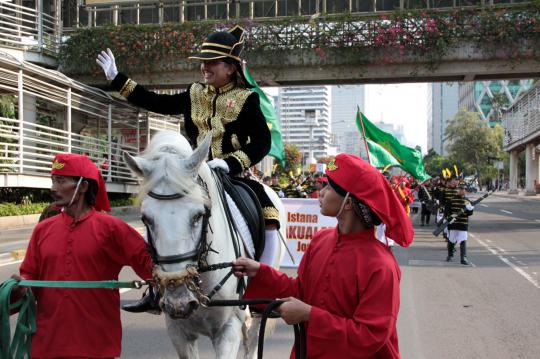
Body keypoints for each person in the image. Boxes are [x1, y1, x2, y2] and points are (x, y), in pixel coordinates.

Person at [97, 25, 282, 311]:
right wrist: (118, 79)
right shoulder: (194, 92)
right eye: (203, 62)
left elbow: (262, 141)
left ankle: (263, 286)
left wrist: (231, 162)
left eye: (212, 62)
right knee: (161, 215)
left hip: (231, 173)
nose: (205, 68)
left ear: (231, 68)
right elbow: (156, 102)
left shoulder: (248, 98)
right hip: (194, 173)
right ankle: (155, 286)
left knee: (268, 210)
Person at [232, 153, 414, 358]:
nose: (321, 192)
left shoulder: (381, 265)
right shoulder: (321, 240)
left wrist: (309, 314)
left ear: (348, 203)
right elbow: (302, 290)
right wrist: (260, 272)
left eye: (328, 187)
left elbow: (370, 335)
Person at [10, 153, 154, 358]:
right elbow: (29, 278)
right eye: (53, 180)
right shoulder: (43, 230)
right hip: (46, 345)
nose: (53, 188)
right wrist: (19, 288)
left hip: (96, 347)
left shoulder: (112, 228)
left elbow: (150, 265)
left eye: (61, 181)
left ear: (83, 187)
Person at [446, 183, 474, 265]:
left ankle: (463, 258)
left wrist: (470, 209)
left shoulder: (467, 201)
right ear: (458, 190)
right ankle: (450, 255)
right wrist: (449, 218)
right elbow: (447, 211)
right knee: (451, 240)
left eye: (463, 189)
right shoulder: (451, 200)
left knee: (463, 240)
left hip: (463, 224)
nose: (462, 191)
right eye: (460, 189)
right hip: (454, 224)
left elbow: (469, 214)